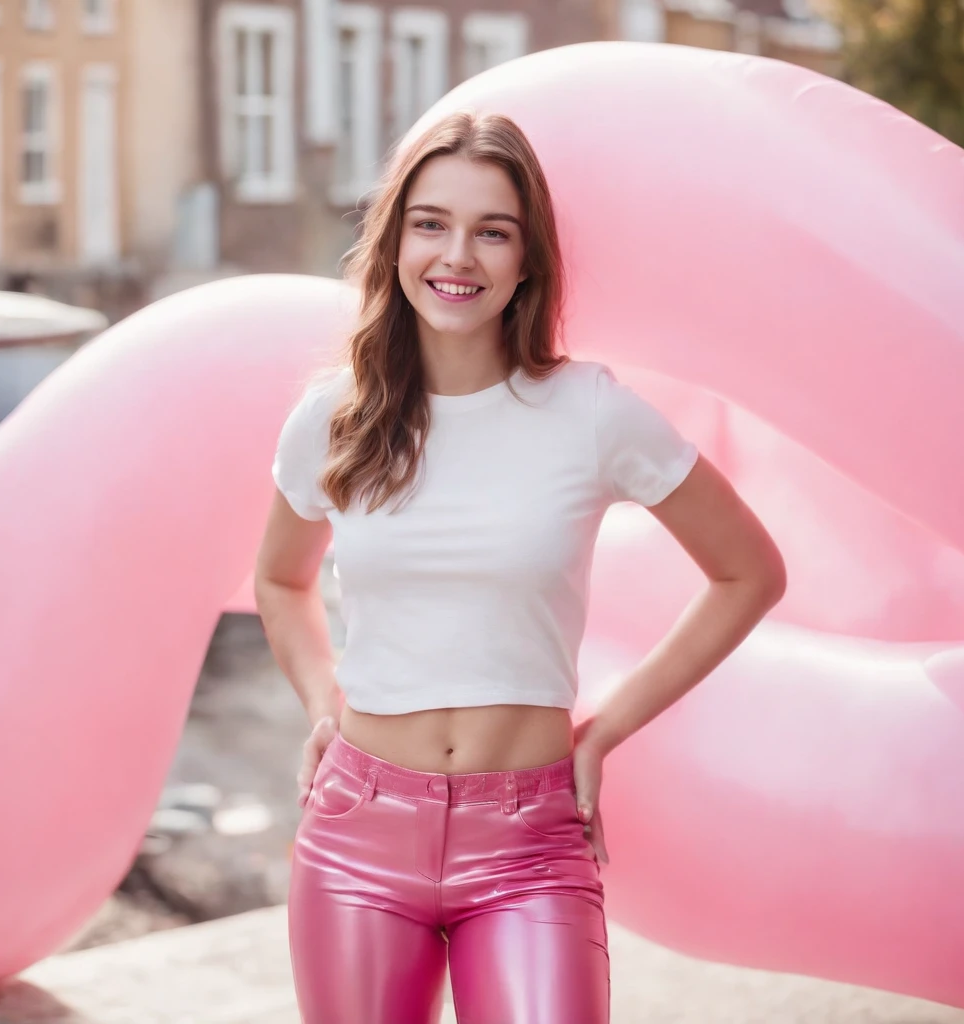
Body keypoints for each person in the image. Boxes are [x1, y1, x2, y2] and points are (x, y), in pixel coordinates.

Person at [254, 111, 787, 1024]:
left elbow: (749, 571)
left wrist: (605, 728)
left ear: (527, 259)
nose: (457, 255)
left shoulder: (590, 412)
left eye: (491, 231)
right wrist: (320, 702)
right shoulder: (333, 417)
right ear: (393, 243)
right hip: (357, 830)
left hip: (531, 842)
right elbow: (280, 578)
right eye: (431, 223)